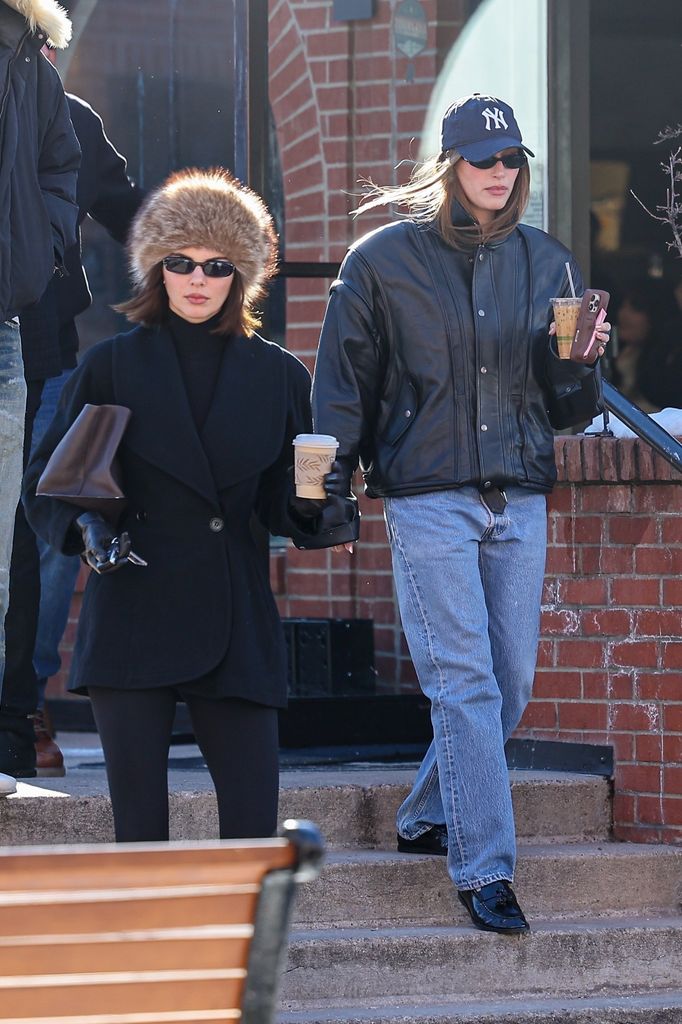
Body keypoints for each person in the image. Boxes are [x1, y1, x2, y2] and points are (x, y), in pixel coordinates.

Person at [312, 94, 610, 933]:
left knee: (508, 682)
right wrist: (327, 497)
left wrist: (580, 362)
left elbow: (566, 411)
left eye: (511, 160)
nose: (499, 173)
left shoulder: (547, 261)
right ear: (450, 166)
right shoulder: (379, 264)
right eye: (483, 159)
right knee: (466, 683)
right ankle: (485, 870)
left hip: (517, 495)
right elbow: (341, 391)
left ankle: (422, 815)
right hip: (428, 499)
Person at [25, 167, 348, 841]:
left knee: (252, 835)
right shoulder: (111, 365)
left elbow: (288, 509)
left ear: (243, 275)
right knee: (140, 838)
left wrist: (315, 501)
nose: (197, 279)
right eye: (180, 262)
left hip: (233, 614)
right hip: (133, 610)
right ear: (156, 268)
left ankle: (249, 952)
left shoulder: (280, 375)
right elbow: (49, 481)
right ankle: (149, 951)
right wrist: (88, 528)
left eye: (217, 265)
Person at [24, 91, 145, 777]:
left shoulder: (68, 114)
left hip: (45, 353)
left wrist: (198, 253)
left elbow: (129, 213)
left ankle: (26, 700)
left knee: (50, 532)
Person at [0, 0, 80, 790]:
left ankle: (11, 721)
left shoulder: (26, 51)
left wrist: (40, 248)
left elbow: (70, 169)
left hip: (9, 326)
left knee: (8, 543)